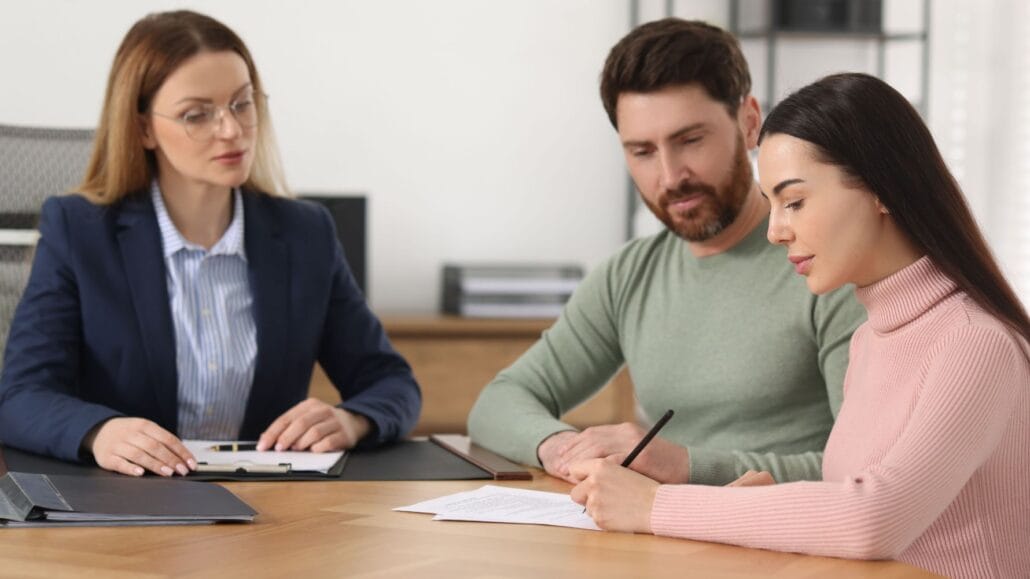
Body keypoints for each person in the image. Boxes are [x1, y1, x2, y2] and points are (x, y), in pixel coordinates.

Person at [569, 72, 1030, 577]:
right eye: (772, 206)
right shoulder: (870, 337)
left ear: (881, 189)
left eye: (794, 202)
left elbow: (873, 519)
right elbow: (856, 500)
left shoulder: (974, 343)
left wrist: (652, 507)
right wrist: (760, 505)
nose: (775, 231)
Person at [0, 10, 421, 477]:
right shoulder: (80, 230)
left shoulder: (305, 234)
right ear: (142, 129)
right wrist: (100, 431)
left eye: (242, 104)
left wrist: (351, 419)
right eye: (196, 115)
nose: (231, 130)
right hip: (124, 509)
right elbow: (20, 397)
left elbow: (391, 383)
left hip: (269, 511)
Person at [467, 18, 865, 486]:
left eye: (690, 140)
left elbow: (860, 474)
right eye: (642, 152)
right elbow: (499, 402)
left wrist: (684, 467)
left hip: (788, 548)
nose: (671, 175)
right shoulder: (629, 275)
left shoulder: (826, 266)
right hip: (657, 538)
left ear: (750, 121)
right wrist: (563, 449)